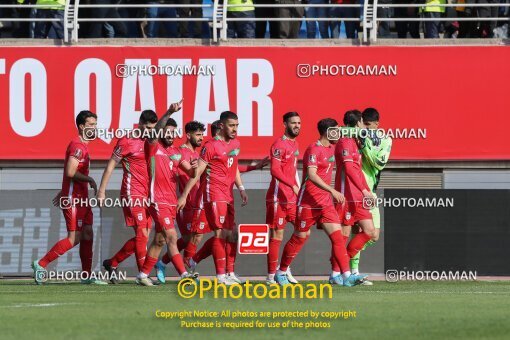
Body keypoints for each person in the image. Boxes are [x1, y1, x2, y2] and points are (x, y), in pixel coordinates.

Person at [275, 118, 362, 286]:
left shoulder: (331, 149)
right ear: (327, 132)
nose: (339, 133)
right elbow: (312, 175)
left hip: (325, 204)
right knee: (301, 237)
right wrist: (332, 190)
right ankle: (281, 271)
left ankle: (346, 276)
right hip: (308, 202)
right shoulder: (313, 149)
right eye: (336, 130)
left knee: (338, 237)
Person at [32, 111, 107, 285]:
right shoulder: (77, 146)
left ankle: (87, 276)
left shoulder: (83, 146)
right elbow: (71, 172)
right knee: (75, 237)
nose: (94, 128)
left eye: (95, 124)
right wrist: (90, 180)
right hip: (74, 199)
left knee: (88, 234)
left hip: (82, 198)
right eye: (91, 125)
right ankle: (41, 264)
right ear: (81, 126)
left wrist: (64, 189)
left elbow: (70, 174)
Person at [177, 111, 248, 285]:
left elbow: (234, 167)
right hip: (214, 193)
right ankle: (221, 276)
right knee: (220, 233)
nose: (235, 129)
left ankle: (230, 273)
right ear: (222, 126)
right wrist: (184, 195)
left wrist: (241, 188)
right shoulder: (211, 147)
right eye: (231, 125)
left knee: (232, 235)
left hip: (228, 194)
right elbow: (197, 173)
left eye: (237, 126)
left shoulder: (236, 144)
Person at [136, 105, 198, 286]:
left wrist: (194, 168)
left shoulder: (176, 153)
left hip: (171, 202)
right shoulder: (153, 148)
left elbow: (192, 174)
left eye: (173, 132)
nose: (170, 135)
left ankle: (143, 274)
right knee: (172, 236)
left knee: (160, 239)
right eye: (167, 132)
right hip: (157, 200)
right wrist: (169, 112)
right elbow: (154, 134)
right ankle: (184, 274)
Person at [99, 110, 159, 284]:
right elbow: (110, 166)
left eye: (152, 128)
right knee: (141, 231)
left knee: (144, 236)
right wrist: (102, 191)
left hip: (149, 194)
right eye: (147, 127)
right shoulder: (126, 141)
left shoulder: (153, 140)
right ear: (139, 123)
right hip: (132, 192)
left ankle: (112, 263)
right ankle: (143, 275)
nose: (149, 131)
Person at [154, 121, 205, 283]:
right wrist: (182, 196)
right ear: (188, 135)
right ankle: (183, 268)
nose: (201, 138)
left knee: (193, 236)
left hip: (198, 202)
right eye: (198, 135)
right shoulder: (180, 152)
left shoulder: (197, 155)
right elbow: (189, 175)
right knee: (181, 237)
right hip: (184, 202)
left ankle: (164, 263)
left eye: (202, 134)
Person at [348, 108, 392, 283]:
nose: (365, 128)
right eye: (363, 125)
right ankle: (352, 271)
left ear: (377, 124)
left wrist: (365, 145)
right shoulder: (354, 137)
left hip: (370, 191)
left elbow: (379, 163)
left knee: (373, 235)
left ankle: (343, 259)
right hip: (356, 190)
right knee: (358, 231)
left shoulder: (385, 140)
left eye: (368, 125)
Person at [332, 110, 376, 285]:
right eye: (362, 123)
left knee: (370, 232)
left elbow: (357, 171)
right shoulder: (344, 142)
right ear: (357, 123)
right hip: (346, 196)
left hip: (358, 195)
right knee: (343, 235)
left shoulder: (355, 142)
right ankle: (338, 274)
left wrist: (367, 191)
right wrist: (364, 191)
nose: (364, 126)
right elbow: (349, 170)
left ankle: (340, 269)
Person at [266, 112, 301, 285]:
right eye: (293, 123)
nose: (297, 126)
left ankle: (284, 268)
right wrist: (292, 185)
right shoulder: (279, 144)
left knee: (303, 230)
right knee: (277, 235)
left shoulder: (295, 144)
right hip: (278, 198)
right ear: (284, 124)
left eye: (299, 123)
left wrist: (299, 188)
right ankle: (271, 276)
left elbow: (292, 171)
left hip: (293, 198)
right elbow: (275, 170)